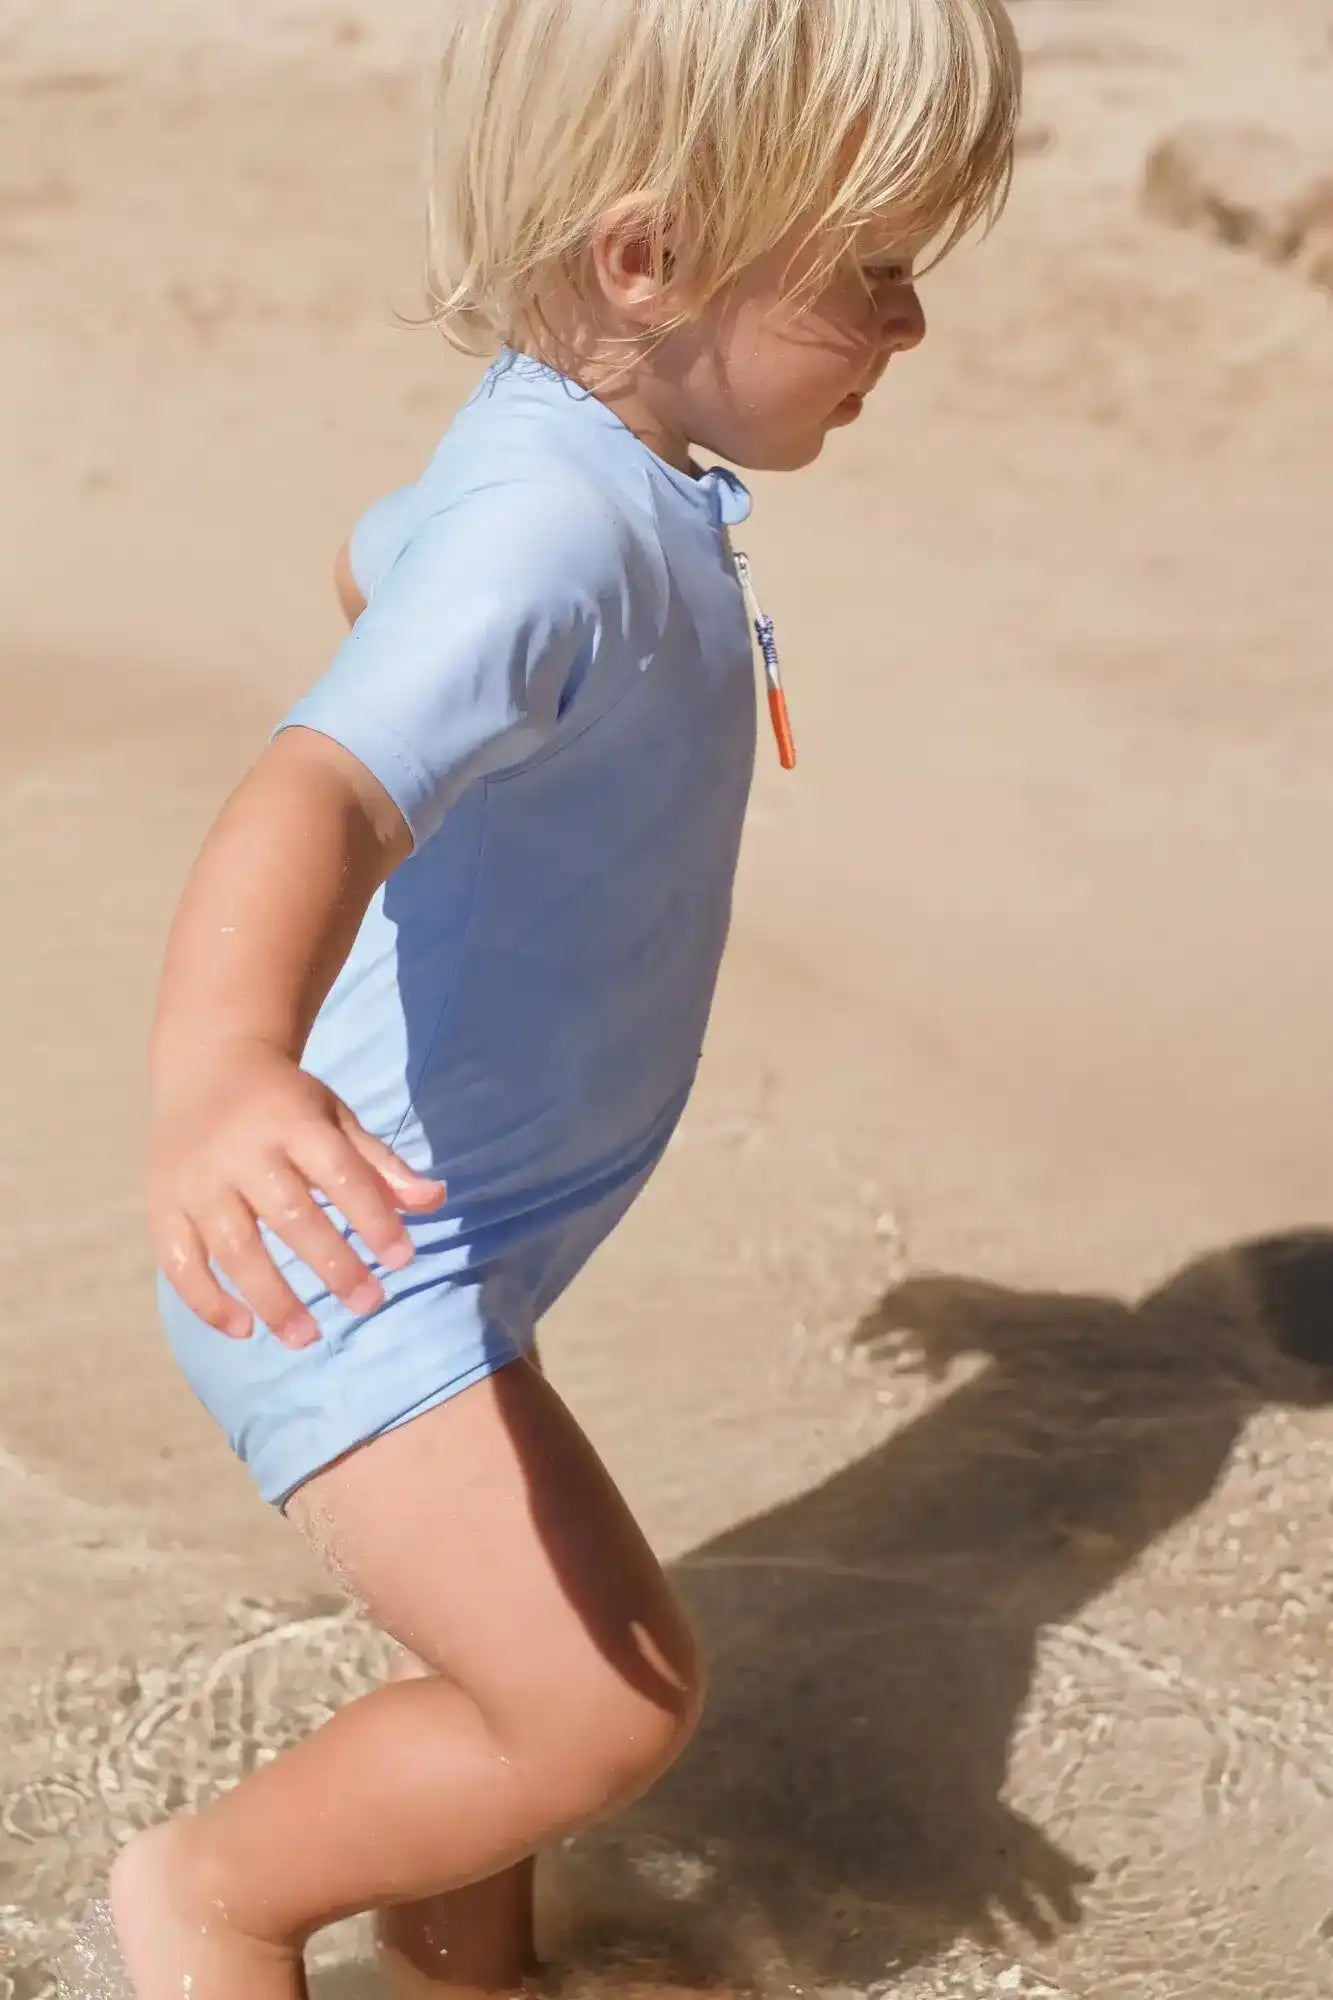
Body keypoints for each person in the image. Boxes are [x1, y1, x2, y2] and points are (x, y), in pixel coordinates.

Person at [109, 0, 1020, 1993]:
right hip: (344, 1257)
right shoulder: (553, 525)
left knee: (523, 1689)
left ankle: (459, 1964)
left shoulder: (562, 465)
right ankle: (216, 1899)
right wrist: (224, 1065)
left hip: (455, 1232)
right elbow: (319, 784)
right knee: (599, 1709)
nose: (911, 325)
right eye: (873, 270)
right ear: (648, 257)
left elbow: (380, 570)